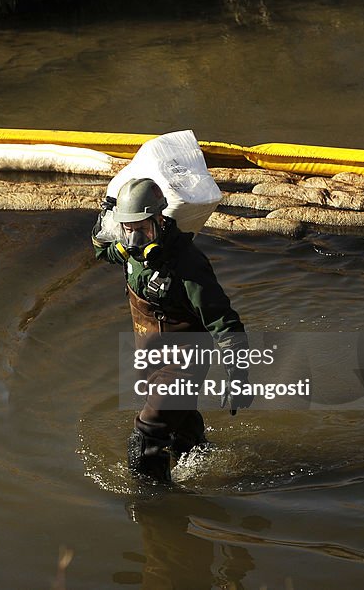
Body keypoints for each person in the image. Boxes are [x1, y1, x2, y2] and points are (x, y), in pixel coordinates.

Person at [92, 177, 252, 482]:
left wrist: (238, 374)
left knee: (148, 431)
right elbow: (101, 249)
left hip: (185, 363)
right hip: (151, 358)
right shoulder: (130, 255)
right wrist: (105, 214)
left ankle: (154, 504)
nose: (136, 239)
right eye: (129, 229)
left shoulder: (187, 263)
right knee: (180, 425)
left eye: (143, 229)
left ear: (160, 220)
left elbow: (223, 320)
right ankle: (201, 459)